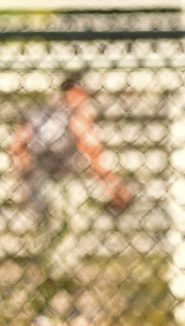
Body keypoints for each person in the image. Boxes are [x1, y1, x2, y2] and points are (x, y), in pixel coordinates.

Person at [9, 73, 133, 291]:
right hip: (65, 181)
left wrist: (24, 180)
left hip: (44, 181)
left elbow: (18, 147)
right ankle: (60, 280)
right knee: (69, 228)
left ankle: (54, 279)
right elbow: (92, 152)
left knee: (55, 231)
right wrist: (112, 185)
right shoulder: (72, 117)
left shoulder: (38, 114)